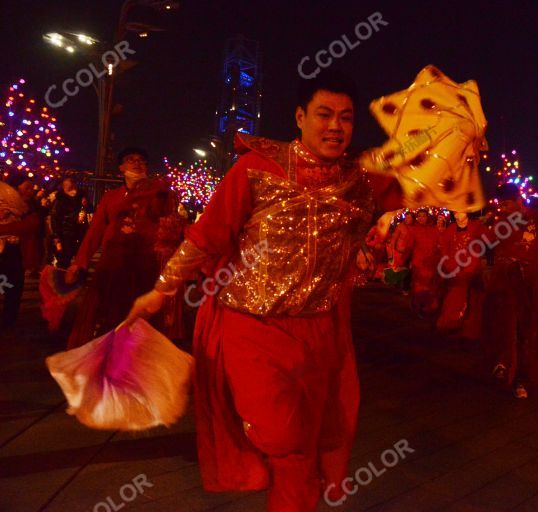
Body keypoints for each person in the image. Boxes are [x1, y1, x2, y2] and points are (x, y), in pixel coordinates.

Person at [123, 73, 402, 512]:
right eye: (324, 115)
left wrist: (459, 145)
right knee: (283, 436)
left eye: (345, 118)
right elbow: (206, 236)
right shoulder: (256, 168)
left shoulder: (362, 180)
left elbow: (429, 180)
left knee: (305, 446)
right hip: (251, 327)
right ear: (300, 117)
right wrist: (162, 290)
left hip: (320, 333)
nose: (335, 127)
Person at [65, 147, 185, 347]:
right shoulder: (111, 197)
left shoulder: (160, 196)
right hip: (113, 266)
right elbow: (95, 231)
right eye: (131, 160)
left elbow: (170, 229)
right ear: (121, 167)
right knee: (108, 316)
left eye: (141, 160)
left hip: (146, 267)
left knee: (141, 319)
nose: (137, 163)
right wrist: (80, 263)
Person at [483, 188, 538, 397]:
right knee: (507, 324)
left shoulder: (537, 220)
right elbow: (487, 242)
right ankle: (509, 368)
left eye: (506, 204)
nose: (503, 208)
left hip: (529, 282)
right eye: (501, 205)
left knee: (525, 328)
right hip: (506, 281)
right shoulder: (501, 223)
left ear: (519, 201)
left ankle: (517, 371)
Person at [436, 211, 487, 344]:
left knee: (473, 300)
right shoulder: (451, 228)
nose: (458, 215)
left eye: (460, 212)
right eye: (455, 212)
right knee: (455, 298)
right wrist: (448, 264)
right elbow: (444, 248)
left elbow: (489, 238)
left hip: (472, 268)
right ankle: (452, 324)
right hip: (455, 269)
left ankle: (471, 330)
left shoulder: (476, 226)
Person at [0, 181, 33, 331]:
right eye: (26, 187)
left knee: (13, 284)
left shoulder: (23, 205)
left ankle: (9, 319)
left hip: (12, 248)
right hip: (6, 247)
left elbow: (28, 224)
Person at [50, 178, 89, 269]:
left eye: (73, 186)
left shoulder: (81, 199)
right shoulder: (60, 200)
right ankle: (62, 279)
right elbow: (55, 218)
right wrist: (56, 236)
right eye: (69, 187)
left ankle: (76, 279)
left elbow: (88, 211)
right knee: (64, 260)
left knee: (80, 260)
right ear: (64, 188)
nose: (72, 190)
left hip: (79, 233)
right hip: (65, 234)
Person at [408, 208, 441, 316]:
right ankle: (418, 306)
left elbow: (439, 244)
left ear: (427, 217)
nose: (422, 218)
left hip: (430, 262)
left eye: (424, 216)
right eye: (420, 216)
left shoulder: (434, 230)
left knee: (429, 285)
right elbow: (409, 246)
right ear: (417, 218)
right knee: (418, 286)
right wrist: (408, 260)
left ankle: (428, 306)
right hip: (418, 262)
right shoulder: (413, 230)